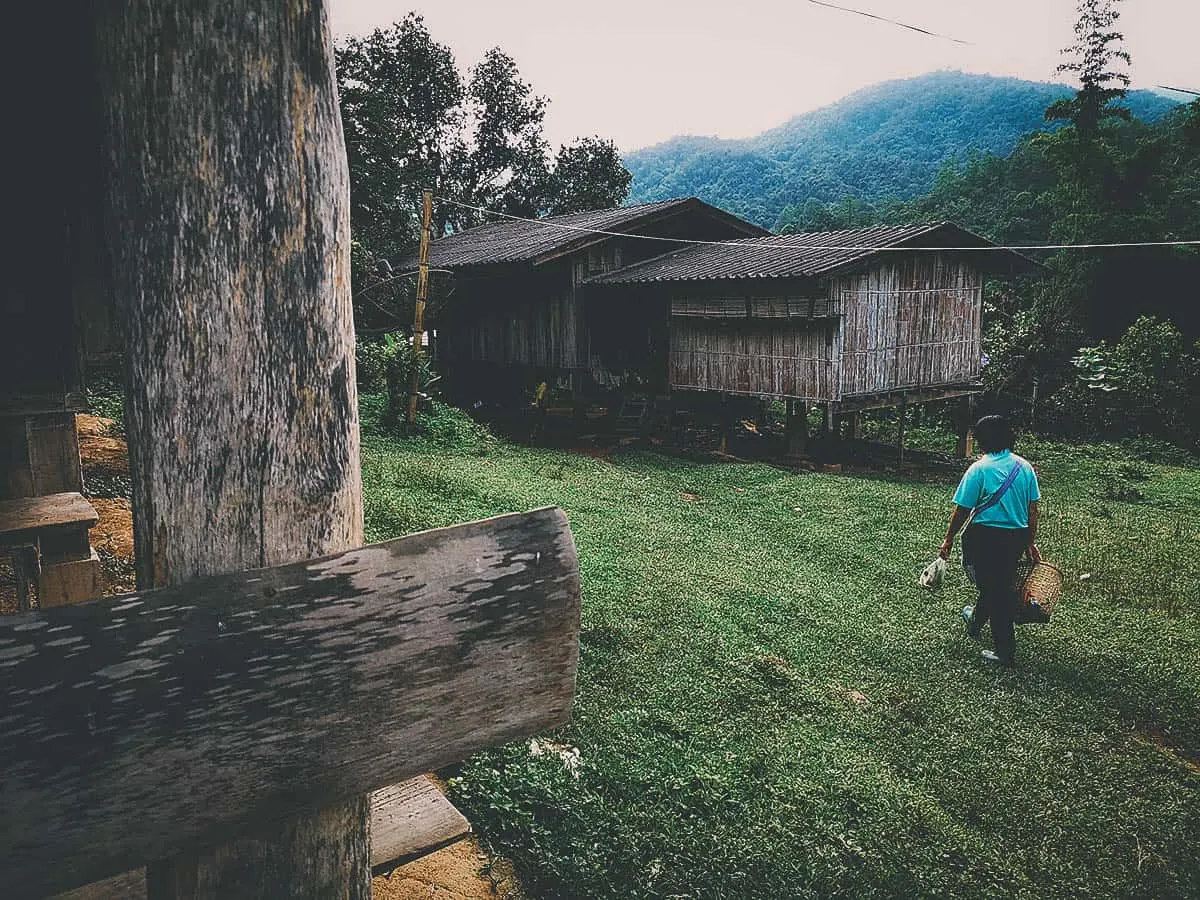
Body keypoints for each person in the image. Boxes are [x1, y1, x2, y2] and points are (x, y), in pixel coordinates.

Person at [938, 415, 1041, 666]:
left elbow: (962, 509)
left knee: (996, 592)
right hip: (1015, 538)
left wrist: (948, 540)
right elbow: (1033, 510)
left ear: (983, 440)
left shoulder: (980, 469)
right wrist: (1029, 542)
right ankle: (974, 622)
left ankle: (1004, 652)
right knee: (997, 583)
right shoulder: (1024, 467)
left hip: (984, 537)